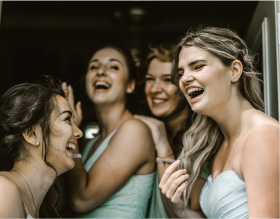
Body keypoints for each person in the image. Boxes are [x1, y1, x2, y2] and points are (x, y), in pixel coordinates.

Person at [159, 26, 279, 218]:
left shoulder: (262, 135)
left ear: (234, 71)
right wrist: (179, 209)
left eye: (198, 66)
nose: (185, 79)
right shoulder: (220, 143)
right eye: (181, 73)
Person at [0, 76, 83, 218]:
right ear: (32, 134)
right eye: (67, 119)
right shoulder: (0, 191)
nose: (79, 132)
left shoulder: (40, 208)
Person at [63, 45, 155, 218]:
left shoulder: (134, 130)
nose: (101, 72)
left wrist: (70, 132)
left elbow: (81, 200)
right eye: (93, 67)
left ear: (130, 85)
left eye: (113, 67)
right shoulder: (90, 143)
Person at [135, 44, 207, 218]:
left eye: (167, 80)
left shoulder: (203, 138)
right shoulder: (141, 130)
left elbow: (190, 205)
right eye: (150, 79)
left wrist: (163, 145)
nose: (154, 89)